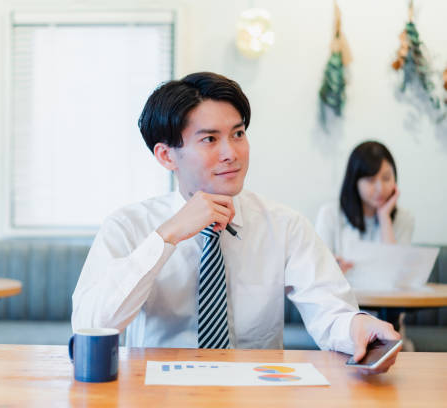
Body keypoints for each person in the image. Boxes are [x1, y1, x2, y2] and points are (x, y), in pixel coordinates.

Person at [72, 72, 400, 374]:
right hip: (159, 391)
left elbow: (331, 310)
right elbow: (91, 323)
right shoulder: (128, 226)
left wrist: (356, 327)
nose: (232, 153)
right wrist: (167, 236)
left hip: (255, 390)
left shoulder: (284, 225)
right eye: (210, 139)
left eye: (238, 134)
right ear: (166, 156)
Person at [315, 141, 415, 274]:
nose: (380, 189)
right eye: (371, 180)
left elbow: (396, 274)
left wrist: (385, 218)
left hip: (385, 295)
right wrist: (333, 268)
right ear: (354, 181)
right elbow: (318, 268)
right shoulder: (330, 214)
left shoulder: (404, 219)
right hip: (341, 292)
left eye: (386, 178)